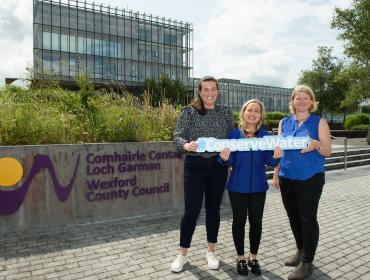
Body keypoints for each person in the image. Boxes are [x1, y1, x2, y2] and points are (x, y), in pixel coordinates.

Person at [171, 76, 234, 273]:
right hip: (195, 165)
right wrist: (185, 144)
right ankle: (182, 254)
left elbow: (231, 138)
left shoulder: (225, 113)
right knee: (191, 211)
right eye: (205, 89)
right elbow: (177, 136)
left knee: (213, 210)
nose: (209, 93)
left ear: (217, 91)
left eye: (213, 89)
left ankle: (211, 252)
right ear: (199, 92)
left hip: (218, 166)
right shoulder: (189, 112)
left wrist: (228, 151)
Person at [272, 85, 332, 280]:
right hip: (287, 177)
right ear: (292, 101)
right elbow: (280, 151)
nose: (302, 101)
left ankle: (307, 262)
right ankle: (300, 250)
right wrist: (276, 173)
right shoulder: (284, 122)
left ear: (312, 102)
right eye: (298, 98)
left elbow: (327, 151)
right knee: (293, 217)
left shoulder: (319, 122)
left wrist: (316, 144)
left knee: (307, 218)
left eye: (306, 98)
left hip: (310, 178)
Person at [219, 99, 282, 276]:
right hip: (237, 187)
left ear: (261, 115)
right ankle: (240, 257)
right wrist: (223, 158)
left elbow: (269, 161)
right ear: (243, 112)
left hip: (258, 187)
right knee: (239, 221)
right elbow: (228, 160)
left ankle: (253, 257)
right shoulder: (233, 134)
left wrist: (277, 156)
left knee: (256, 222)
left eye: (256, 111)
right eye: (249, 110)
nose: (252, 113)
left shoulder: (266, 136)